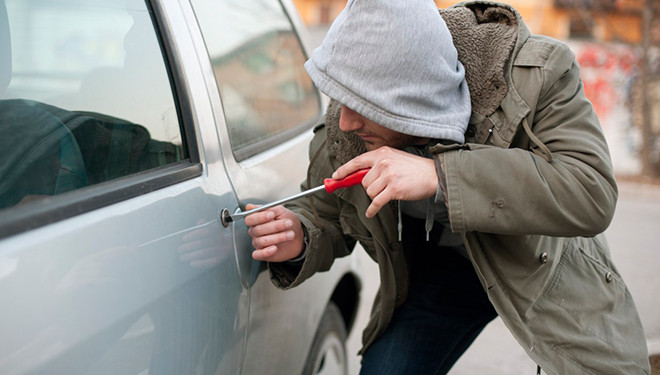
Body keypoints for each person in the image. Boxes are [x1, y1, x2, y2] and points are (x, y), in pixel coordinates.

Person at [245, 0, 651, 374]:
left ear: (409, 97)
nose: (347, 121)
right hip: (442, 276)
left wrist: (440, 175)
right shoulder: (346, 129)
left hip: (542, 264)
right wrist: (300, 236)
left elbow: (590, 190)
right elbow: (327, 212)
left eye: (363, 106)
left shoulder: (537, 74)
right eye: (341, 100)